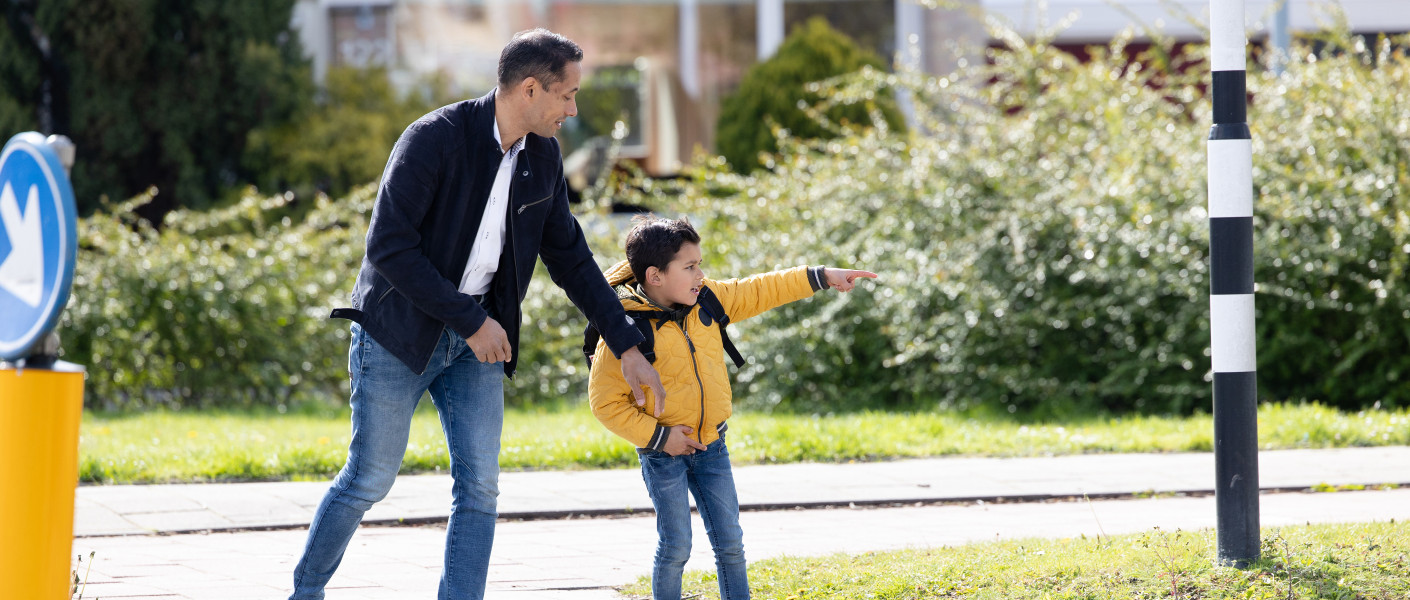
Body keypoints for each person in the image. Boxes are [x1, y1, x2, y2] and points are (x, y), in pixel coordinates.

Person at [289, 29, 667, 600]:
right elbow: (389, 248)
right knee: (369, 479)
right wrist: (469, 319)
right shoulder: (433, 139)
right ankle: (306, 592)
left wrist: (628, 344)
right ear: (531, 89)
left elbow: (570, 256)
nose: (573, 108)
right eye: (567, 96)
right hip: (398, 334)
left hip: (476, 346)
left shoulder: (542, 158)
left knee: (480, 489)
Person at [586, 216, 877, 600]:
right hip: (662, 454)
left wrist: (822, 275)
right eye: (690, 267)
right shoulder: (623, 332)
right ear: (655, 276)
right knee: (676, 548)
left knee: (731, 545)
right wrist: (660, 437)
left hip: (713, 447)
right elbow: (605, 404)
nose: (701, 275)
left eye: (700, 264)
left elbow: (762, 288)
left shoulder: (709, 299)